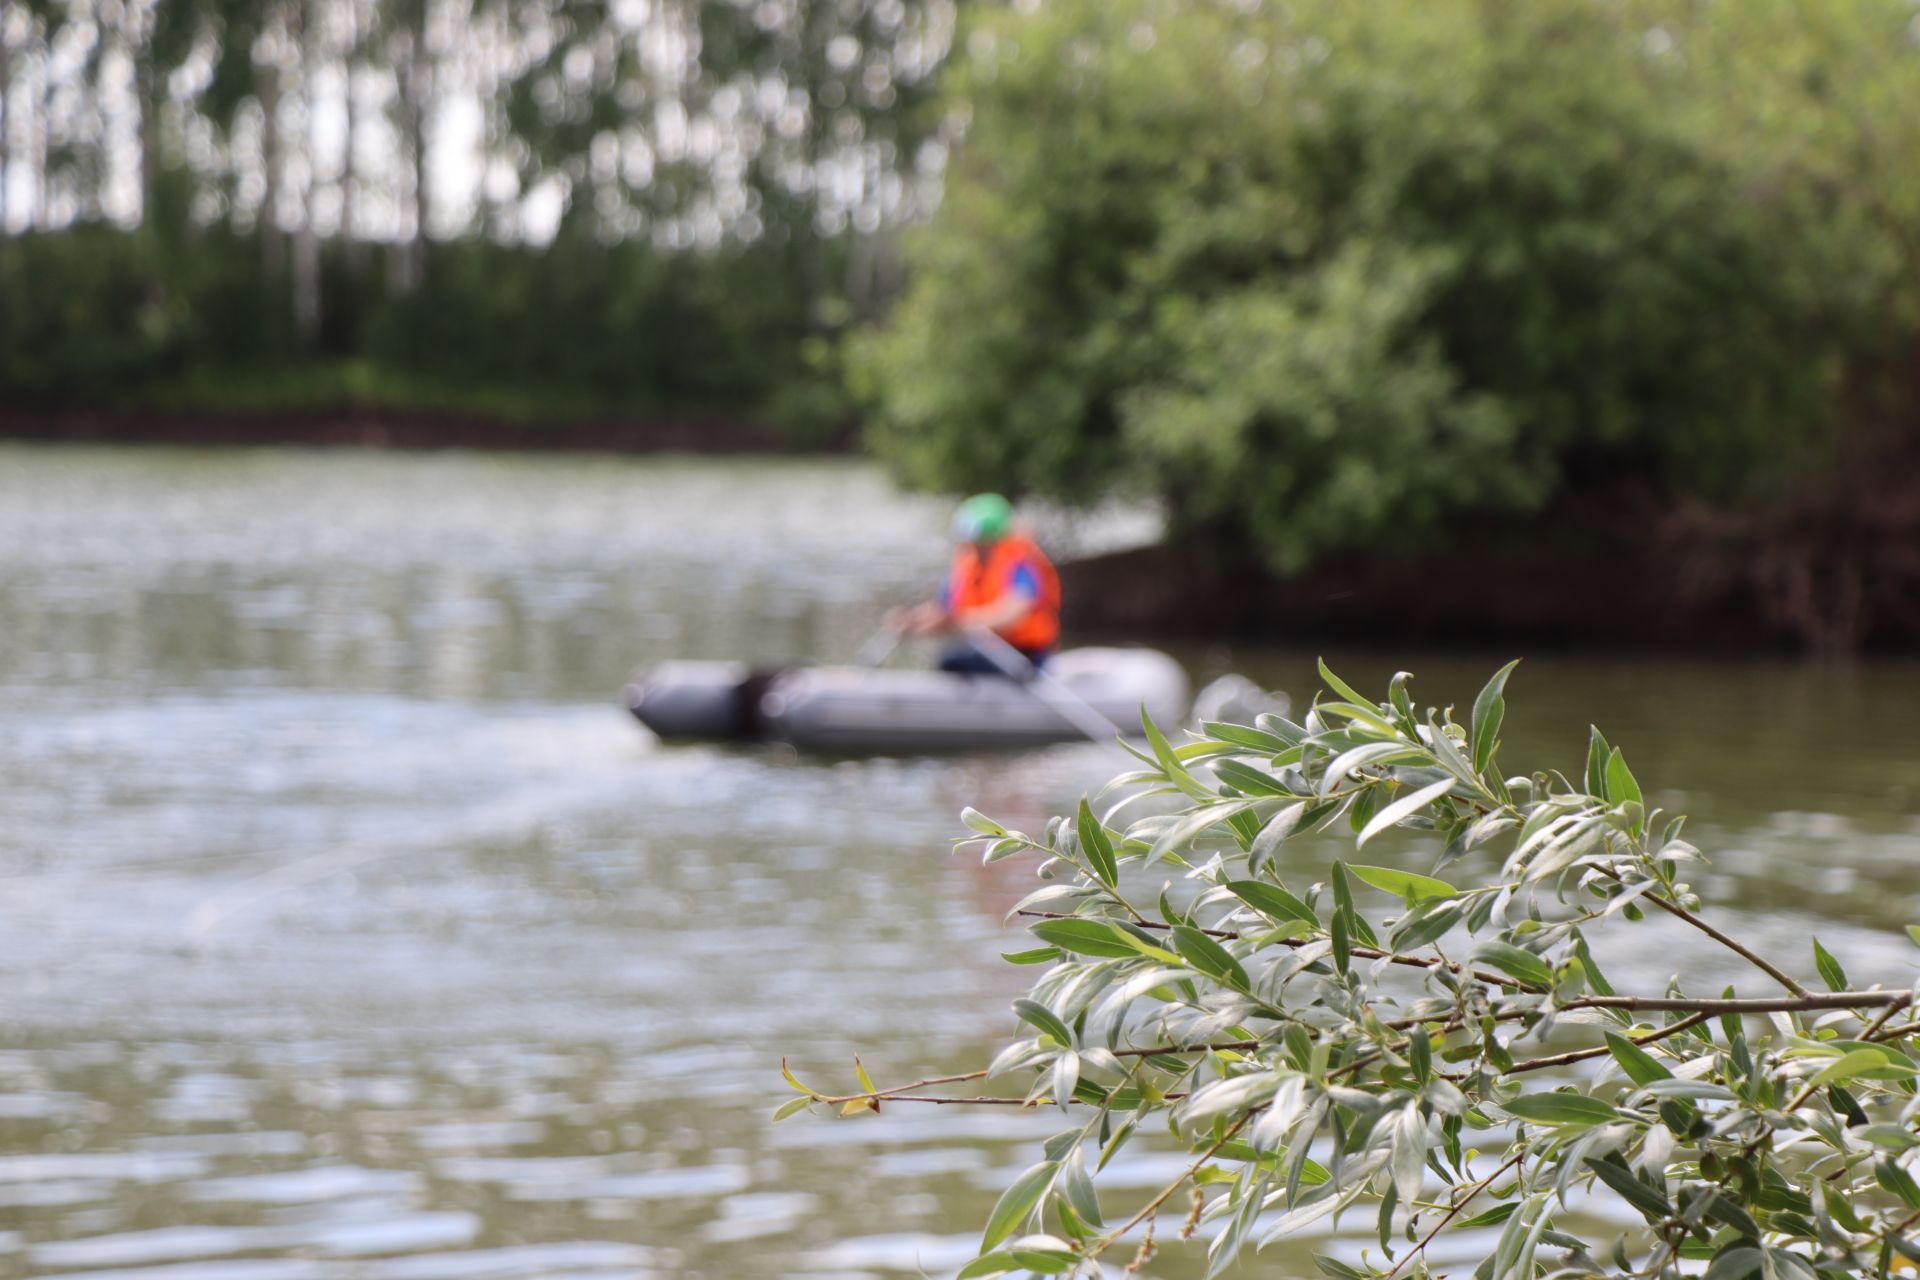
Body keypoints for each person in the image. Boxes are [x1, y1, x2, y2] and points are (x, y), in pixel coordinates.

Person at [887, 493, 1061, 675]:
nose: (974, 545)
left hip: (1024, 654)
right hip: (986, 650)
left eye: (979, 538)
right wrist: (912, 620)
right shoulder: (967, 563)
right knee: (951, 659)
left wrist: (960, 621)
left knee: (953, 660)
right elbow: (942, 609)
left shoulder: (1019, 563)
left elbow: (1013, 613)